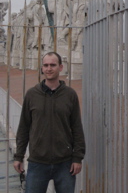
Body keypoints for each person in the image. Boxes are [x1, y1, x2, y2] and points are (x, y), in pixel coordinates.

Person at [13, 51, 86, 193]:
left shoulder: (70, 95)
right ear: (42, 68)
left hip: (64, 163)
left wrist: (77, 158)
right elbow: (24, 128)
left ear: (60, 67)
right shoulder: (32, 94)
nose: (49, 68)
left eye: (53, 65)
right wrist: (19, 156)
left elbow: (77, 128)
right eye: (45, 65)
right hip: (37, 162)